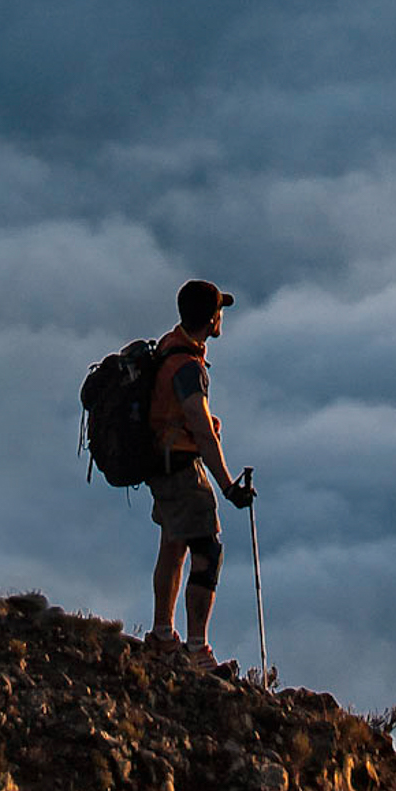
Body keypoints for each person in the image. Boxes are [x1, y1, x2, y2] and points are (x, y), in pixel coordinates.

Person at [147, 278, 252, 653]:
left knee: (174, 545)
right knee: (207, 551)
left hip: (159, 462)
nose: (221, 317)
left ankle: (162, 634)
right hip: (181, 468)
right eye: (219, 311)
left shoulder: (167, 348)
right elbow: (202, 429)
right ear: (211, 319)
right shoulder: (189, 367)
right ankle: (196, 648)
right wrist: (228, 486)